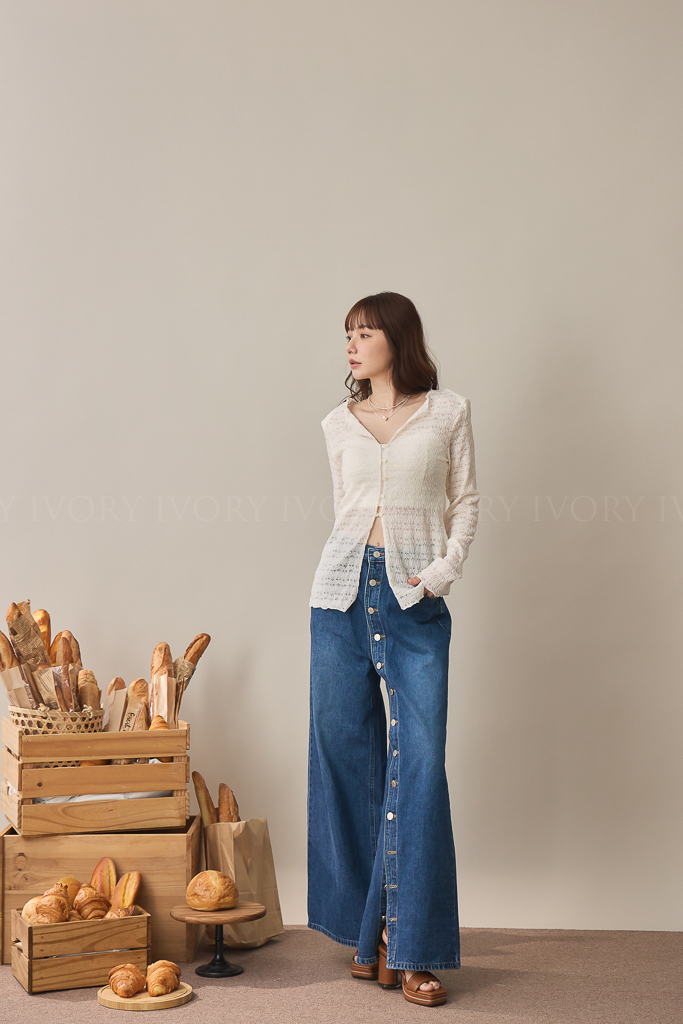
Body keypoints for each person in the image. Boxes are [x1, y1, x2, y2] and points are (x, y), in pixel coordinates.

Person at [307, 291, 479, 1007]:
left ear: (396, 339)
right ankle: (371, 934)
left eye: (365, 333)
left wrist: (442, 571)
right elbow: (345, 510)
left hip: (414, 597)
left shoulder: (447, 413)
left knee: (420, 766)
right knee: (345, 758)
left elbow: (464, 502)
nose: (351, 345)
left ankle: (412, 948)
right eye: (347, 334)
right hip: (340, 595)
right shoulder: (336, 423)